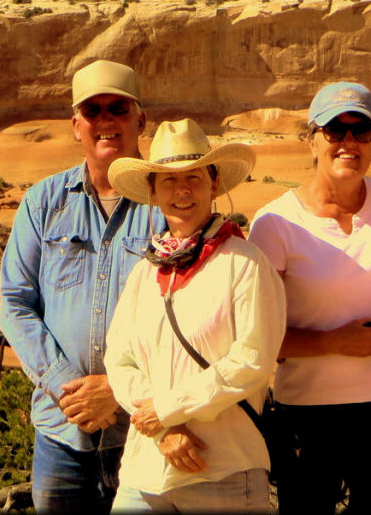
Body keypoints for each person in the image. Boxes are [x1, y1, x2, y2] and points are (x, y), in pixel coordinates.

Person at [0, 59, 163, 514]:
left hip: (145, 430)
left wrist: (117, 389)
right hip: (62, 429)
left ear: (141, 120)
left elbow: (186, 319)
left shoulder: (165, 203)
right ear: (76, 125)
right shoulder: (43, 202)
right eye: (93, 111)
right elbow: (15, 303)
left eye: (118, 108)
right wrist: (71, 389)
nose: (106, 120)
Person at [103, 118, 286, 512]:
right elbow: (119, 360)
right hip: (145, 470)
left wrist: (170, 409)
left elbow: (252, 361)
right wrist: (165, 427)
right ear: (153, 190)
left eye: (193, 177)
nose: (181, 189)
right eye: (168, 180)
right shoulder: (144, 273)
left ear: (214, 184)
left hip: (225, 470)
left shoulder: (246, 264)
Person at [248, 81, 371, 515]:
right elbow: (254, 337)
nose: (349, 142)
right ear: (312, 139)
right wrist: (333, 342)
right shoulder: (276, 223)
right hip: (306, 416)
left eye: (362, 131)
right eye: (335, 129)